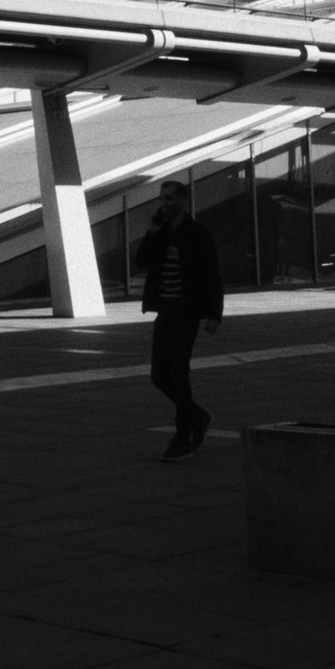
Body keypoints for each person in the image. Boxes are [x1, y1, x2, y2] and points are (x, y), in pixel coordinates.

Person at [132, 180, 223, 462]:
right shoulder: (160, 233)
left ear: (183, 201)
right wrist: (152, 232)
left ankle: (182, 437)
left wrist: (213, 315)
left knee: (178, 373)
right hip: (165, 311)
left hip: (187, 312)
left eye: (170, 198)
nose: (164, 203)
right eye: (162, 199)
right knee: (159, 375)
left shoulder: (196, 233)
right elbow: (140, 261)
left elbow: (211, 274)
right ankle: (198, 415)